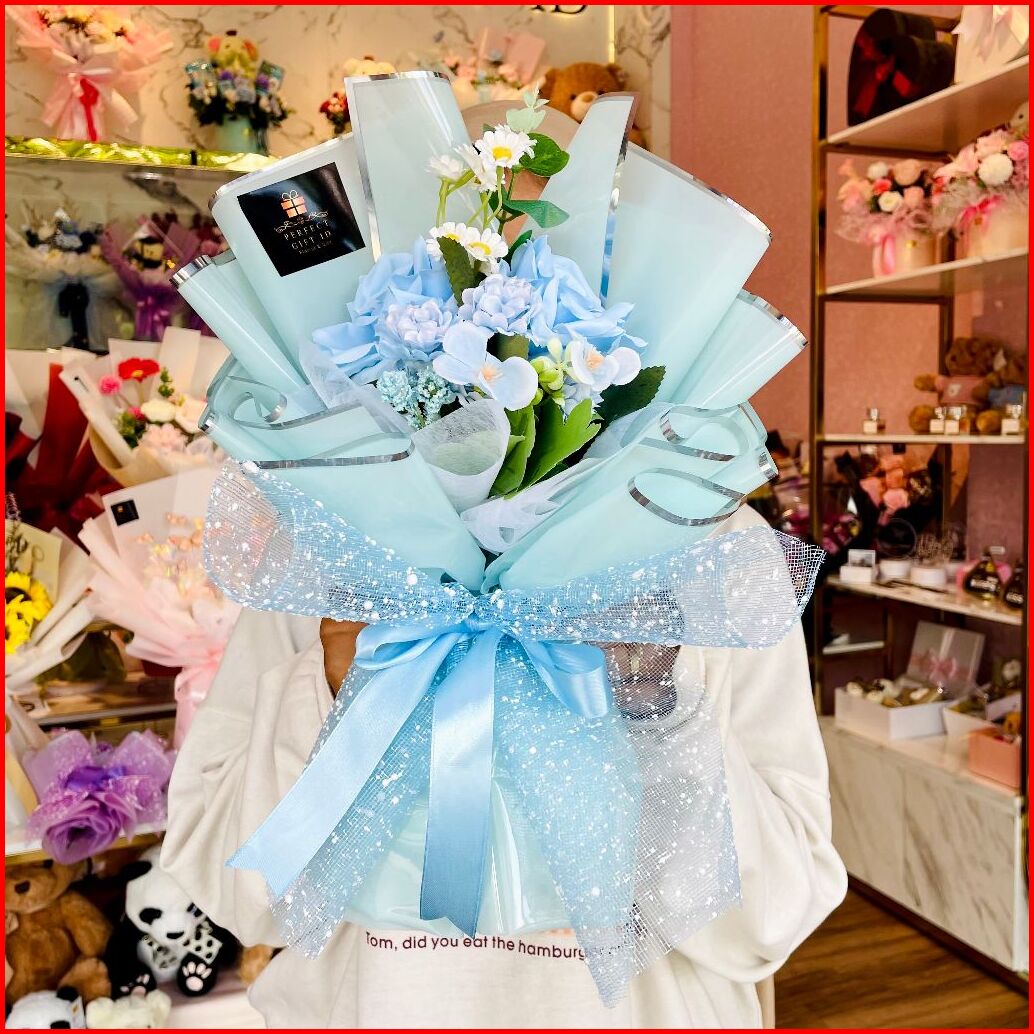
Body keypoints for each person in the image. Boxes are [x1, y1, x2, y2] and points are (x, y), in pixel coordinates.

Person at [162, 103, 846, 1027]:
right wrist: (331, 693)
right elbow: (234, 893)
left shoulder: (704, 549)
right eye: (465, 255)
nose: (504, 276)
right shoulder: (330, 541)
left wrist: (653, 707)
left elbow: (772, 921)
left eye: (563, 250)